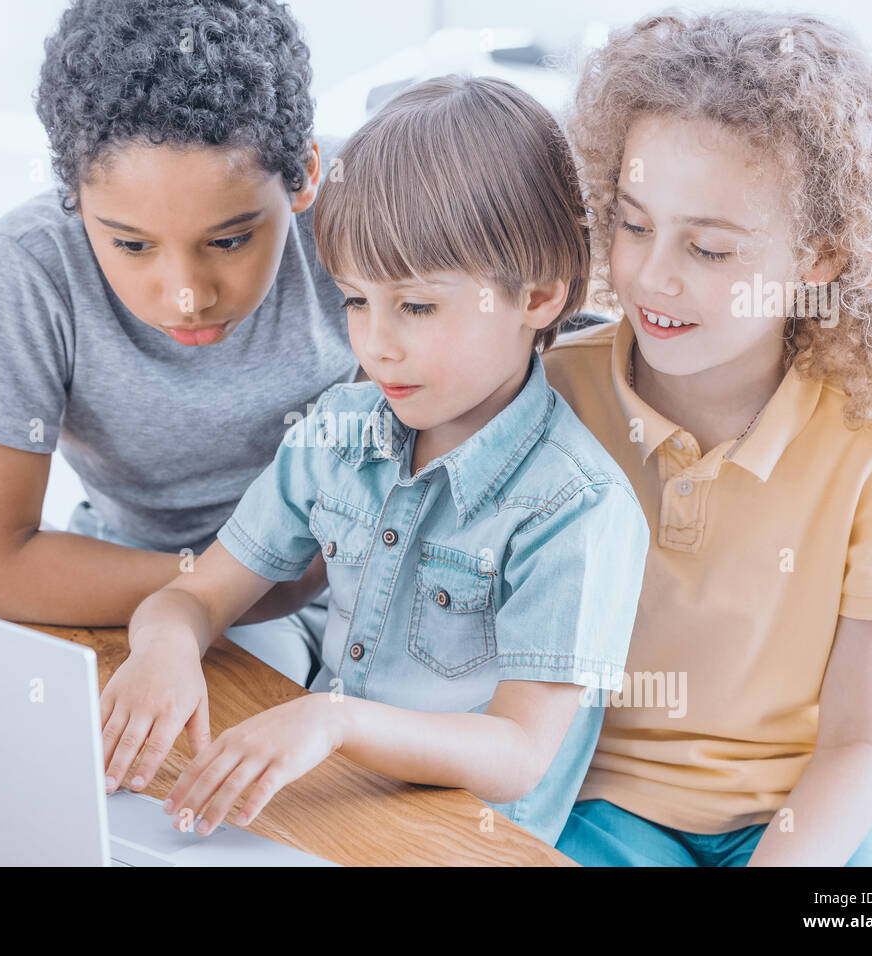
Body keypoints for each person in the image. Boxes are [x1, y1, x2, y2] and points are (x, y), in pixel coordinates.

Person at [98, 75, 649, 847]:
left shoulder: (577, 504)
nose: (375, 343)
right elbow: (196, 596)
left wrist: (335, 720)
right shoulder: (340, 431)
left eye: (416, 306)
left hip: (461, 839)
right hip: (323, 805)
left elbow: (520, 755)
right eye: (356, 300)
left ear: (538, 297)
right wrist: (165, 646)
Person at [543, 10, 872, 865]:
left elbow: (862, 744)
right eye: (634, 223)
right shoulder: (553, 392)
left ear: (820, 256)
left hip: (814, 815)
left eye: (710, 249)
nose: (654, 275)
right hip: (602, 802)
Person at [0, 0, 361, 686]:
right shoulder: (32, 266)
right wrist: (247, 583)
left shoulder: (374, 210)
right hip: (137, 582)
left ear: (303, 176)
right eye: (130, 244)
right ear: (72, 194)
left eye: (230, 239)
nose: (186, 293)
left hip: (370, 581)